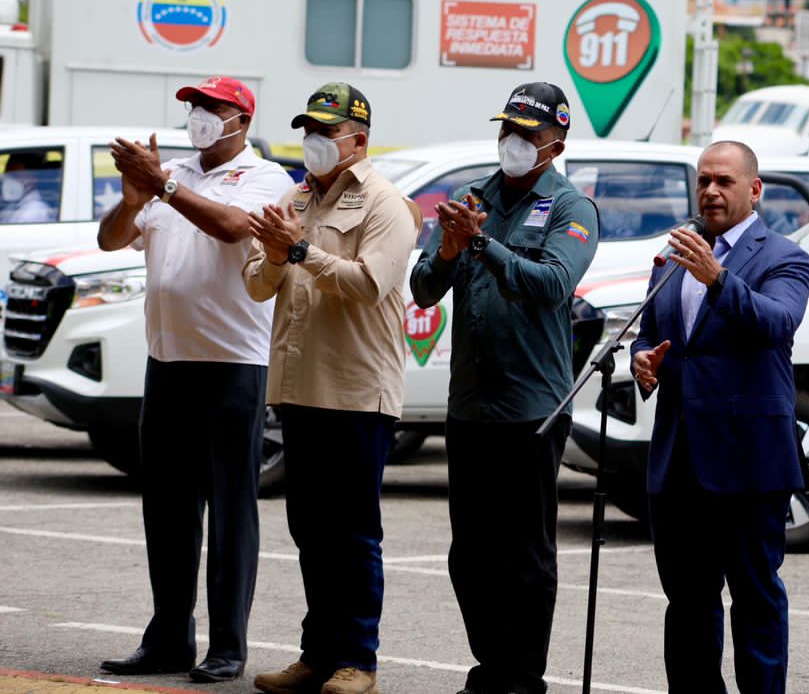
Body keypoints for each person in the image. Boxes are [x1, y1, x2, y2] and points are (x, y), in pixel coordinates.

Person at [96, 76, 293, 683]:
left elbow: (233, 228)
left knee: (230, 510)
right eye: (195, 107)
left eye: (214, 108)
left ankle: (227, 645)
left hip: (233, 362)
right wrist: (134, 199)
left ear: (242, 120)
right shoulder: (170, 174)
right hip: (168, 360)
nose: (200, 116)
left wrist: (163, 186)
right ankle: (168, 639)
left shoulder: (265, 177)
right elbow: (109, 240)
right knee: (167, 510)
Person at [409, 81, 599, 694]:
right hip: (471, 404)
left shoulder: (571, 208)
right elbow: (423, 288)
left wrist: (481, 244)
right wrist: (448, 252)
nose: (512, 142)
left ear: (555, 145)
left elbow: (552, 284)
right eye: (506, 130)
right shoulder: (473, 198)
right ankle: (490, 666)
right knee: (470, 553)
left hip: (531, 408)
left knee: (524, 553)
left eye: (527, 133)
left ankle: (521, 676)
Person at [244, 83, 419, 694]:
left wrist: (298, 251)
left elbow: (369, 284)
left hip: (355, 391)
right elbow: (256, 285)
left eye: (326, 131)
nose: (313, 141)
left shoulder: (386, 203)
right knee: (311, 532)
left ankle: (358, 660)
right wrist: (275, 255)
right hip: (300, 387)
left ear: (358, 140)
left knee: (352, 534)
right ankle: (316, 655)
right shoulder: (293, 199)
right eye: (308, 130)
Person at [630, 140, 809, 694]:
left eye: (724, 181)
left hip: (748, 459)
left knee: (755, 598)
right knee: (687, 602)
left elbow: (777, 322)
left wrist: (717, 278)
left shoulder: (784, 256)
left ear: (754, 190)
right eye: (703, 180)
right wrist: (644, 359)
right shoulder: (676, 254)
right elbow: (651, 332)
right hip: (679, 457)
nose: (710, 190)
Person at [1, 151, 58, 223]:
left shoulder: (34, 212)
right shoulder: (14, 203)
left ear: (32, 179)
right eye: (7, 175)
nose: (7, 180)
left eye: (15, 176)